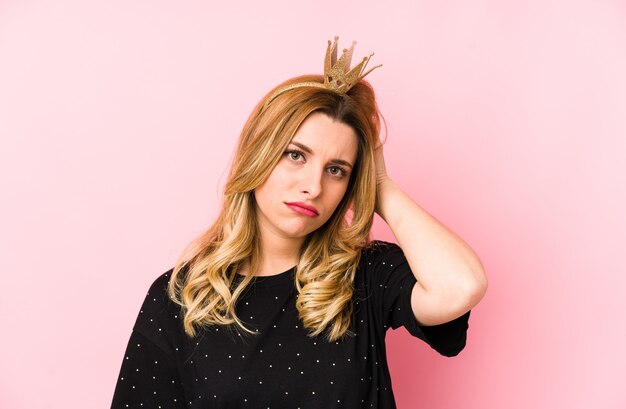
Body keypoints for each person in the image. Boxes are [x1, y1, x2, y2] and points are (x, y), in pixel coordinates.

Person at [111, 37, 488, 409]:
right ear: (259, 154)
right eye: (295, 155)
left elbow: (461, 285)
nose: (313, 186)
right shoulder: (179, 296)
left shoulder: (366, 275)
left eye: (337, 170)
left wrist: (380, 186)